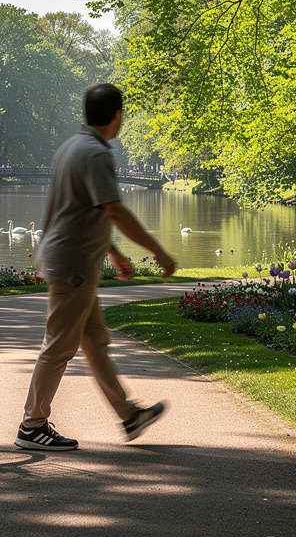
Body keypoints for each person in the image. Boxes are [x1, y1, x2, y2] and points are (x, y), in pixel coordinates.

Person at [15, 84, 177, 451]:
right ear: (117, 116)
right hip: (72, 266)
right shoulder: (96, 154)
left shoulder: (70, 148)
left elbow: (82, 211)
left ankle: (129, 416)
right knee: (58, 347)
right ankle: (32, 426)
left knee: (95, 343)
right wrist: (159, 252)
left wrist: (115, 254)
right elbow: (114, 210)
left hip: (72, 262)